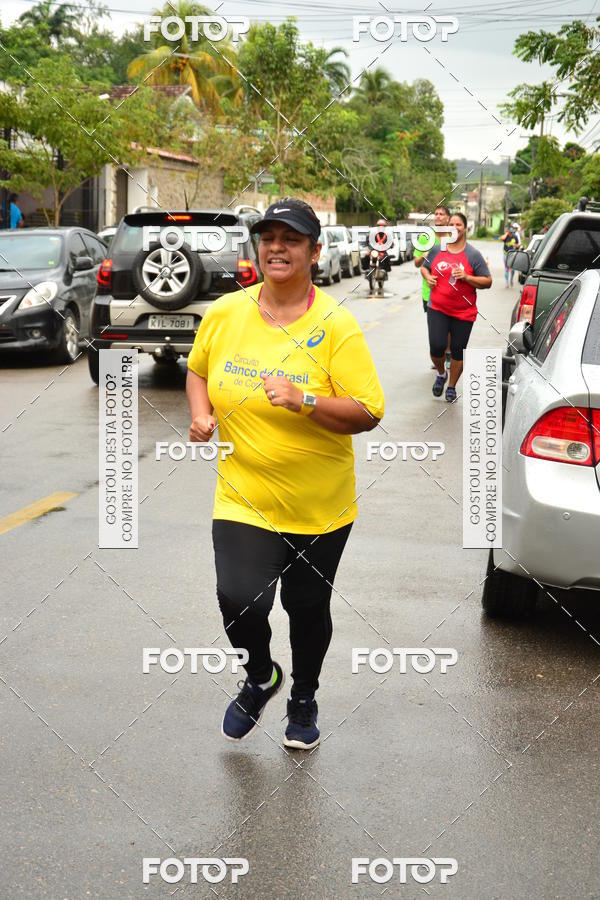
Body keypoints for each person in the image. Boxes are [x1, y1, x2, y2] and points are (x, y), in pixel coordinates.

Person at [186, 197, 385, 750]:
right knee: (237, 597)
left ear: (314, 252)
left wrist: (303, 401)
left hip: (319, 507)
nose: (277, 247)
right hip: (242, 495)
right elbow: (199, 371)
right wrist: (201, 414)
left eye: (291, 239)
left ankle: (303, 698)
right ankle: (260, 676)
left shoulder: (336, 326)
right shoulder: (226, 313)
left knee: (306, 608)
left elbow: (368, 412)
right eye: (268, 237)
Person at [422, 212, 492, 403]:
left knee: (458, 350)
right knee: (436, 347)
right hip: (437, 307)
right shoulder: (437, 249)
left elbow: (487, 281)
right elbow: (424, 267)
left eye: (458, 224)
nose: (454, 227)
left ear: (465, 228)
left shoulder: (473, 255)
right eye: (451, 224)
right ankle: (441, 373)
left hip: (463, 312)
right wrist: (428, 277)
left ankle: (451, 386)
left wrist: (467, 277)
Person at [414, 205, 451, 368]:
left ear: (448, 218)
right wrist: (423, 255)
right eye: (436, 214)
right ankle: (439, 356)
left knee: (449, 325)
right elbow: (416, 263)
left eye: (441, 214)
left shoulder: (453, 236)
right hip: (429, 292)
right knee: (437, 328)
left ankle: (448, 354)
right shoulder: (425, 237)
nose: (438, 217)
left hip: (450, 291)